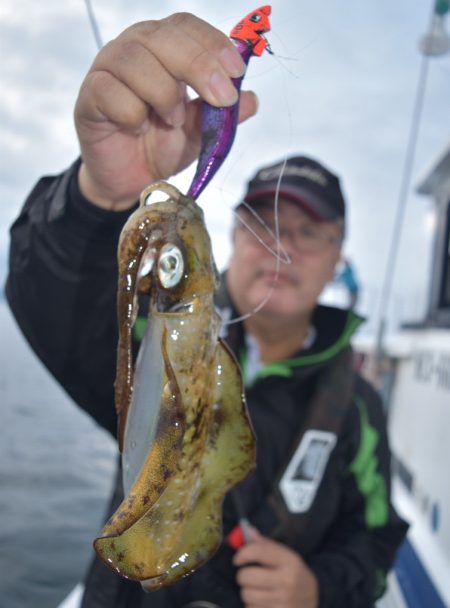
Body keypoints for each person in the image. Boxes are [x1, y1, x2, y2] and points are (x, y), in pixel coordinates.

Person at [6, 12, 407, 608]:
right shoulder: (153, 334)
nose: (281, 246)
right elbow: (58, 308)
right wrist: (100, 198)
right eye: (262, 224)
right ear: (233, 239)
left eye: (308, 231)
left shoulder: (359, 409)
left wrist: (317, 587)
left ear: (337, 259)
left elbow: (376, 541)